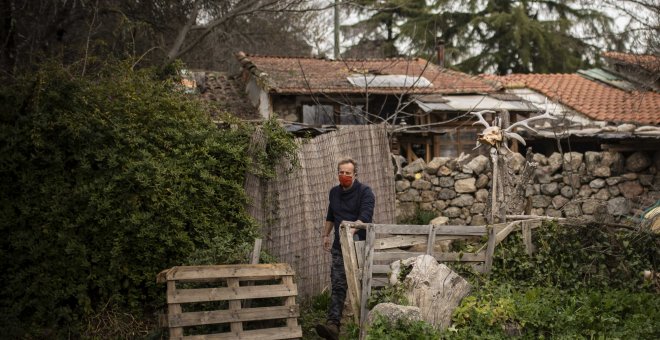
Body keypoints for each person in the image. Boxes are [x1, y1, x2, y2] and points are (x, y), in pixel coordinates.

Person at [315, 158, 375, 340]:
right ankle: (333, 325)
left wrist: (350, 231)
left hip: (358, 245)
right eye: (341, 172)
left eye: (348, 173)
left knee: (361, 285)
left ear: (355, 174)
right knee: (338, 284)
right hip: (339, 246)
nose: (344, 175)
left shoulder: (365, 192)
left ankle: (364, 326)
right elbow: (331, 215)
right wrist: (326, 235)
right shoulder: (334, 192)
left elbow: (364, 217)